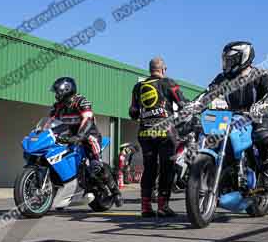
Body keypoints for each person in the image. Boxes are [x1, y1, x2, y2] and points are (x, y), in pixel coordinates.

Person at [192, 41, 268, 191]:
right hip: (230, 118)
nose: (227, 63)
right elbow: (207, 94)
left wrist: (264, 104)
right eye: (226, 59)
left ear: (243, 57)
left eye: (230, 59)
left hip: (256, 117)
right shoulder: (223, 78)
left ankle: (266, 170)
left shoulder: (262, 74)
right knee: (205, 131)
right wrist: (194, 105)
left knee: (263, 134)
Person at [130, 56, 188, 218]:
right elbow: (183, 104)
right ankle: (163, 206)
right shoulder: (168, 83)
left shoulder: (138, 87)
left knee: (149, 168)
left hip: (145, 132)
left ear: (150, 70)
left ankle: (145, 207)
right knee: (166, 168)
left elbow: (133, 113)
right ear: (163, 69)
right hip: (165, 131)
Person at [50, 77, 122, 206]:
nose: (56, 95)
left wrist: (79, 136)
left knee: (95, 165)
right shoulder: (58, 106)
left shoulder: (81, 102)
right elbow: (51, 123)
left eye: (58, 92)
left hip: (88, 137)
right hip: (69, 137)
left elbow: (87, 119)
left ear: (67, 91)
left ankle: (115, 192)